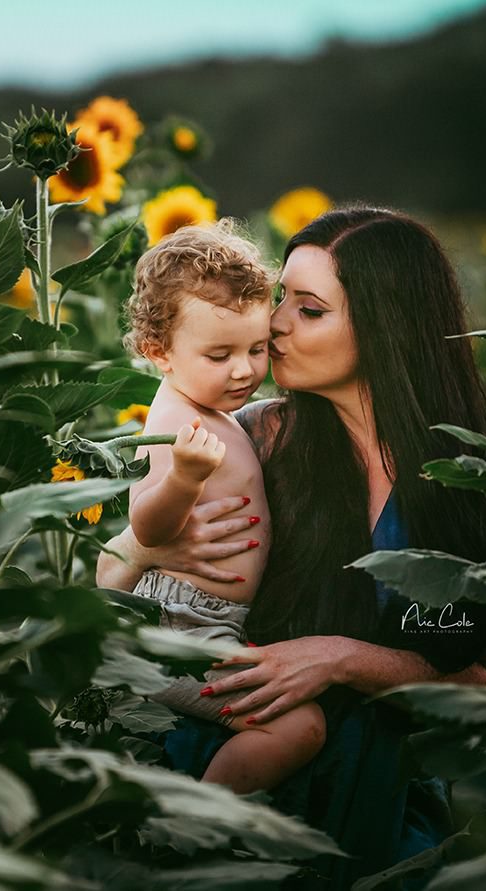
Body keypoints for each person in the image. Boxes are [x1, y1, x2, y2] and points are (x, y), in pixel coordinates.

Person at [97, 206, 486, 888]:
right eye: (280, 301)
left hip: (391, 828)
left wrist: (345, 660)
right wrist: (148, 547)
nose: (272, 325)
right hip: (231, 796)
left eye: (307, 310)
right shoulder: (250, 440)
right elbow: (112, 581)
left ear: (387, 325)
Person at [123, 221, 326, 794]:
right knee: (298, 725)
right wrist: (184, 479)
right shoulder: (173, 425)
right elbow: (147, 524)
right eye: (220, 355)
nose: (244, 370)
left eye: (256, 349)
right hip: (182, 626)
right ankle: (201, 829)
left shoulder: (208, 408)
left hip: (212, 623)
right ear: (158, 352)